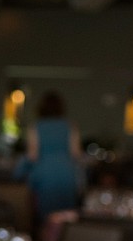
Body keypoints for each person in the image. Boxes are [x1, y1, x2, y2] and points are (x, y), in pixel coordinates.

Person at [15, 91, 84, 220]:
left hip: (45, 174)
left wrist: (19, 170)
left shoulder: (36, 126)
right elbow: (76, 154)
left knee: (46, 216)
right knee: (66, 216)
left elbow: (32, 155)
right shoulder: (70, 126)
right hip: (66, 173)